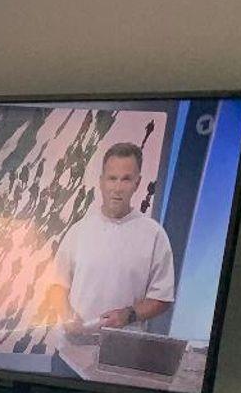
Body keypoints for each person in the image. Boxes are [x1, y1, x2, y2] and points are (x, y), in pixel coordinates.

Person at [43, 141, 175, 332]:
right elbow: (57, 285)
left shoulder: (154, 235)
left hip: (122, 348)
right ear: (101, 181)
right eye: (112, 178)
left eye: (126, 179)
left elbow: (162, 298)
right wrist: (67, 316)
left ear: (137, 183)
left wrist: (129, 315)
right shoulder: (79, 231)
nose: (117, 188)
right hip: (71, 347)